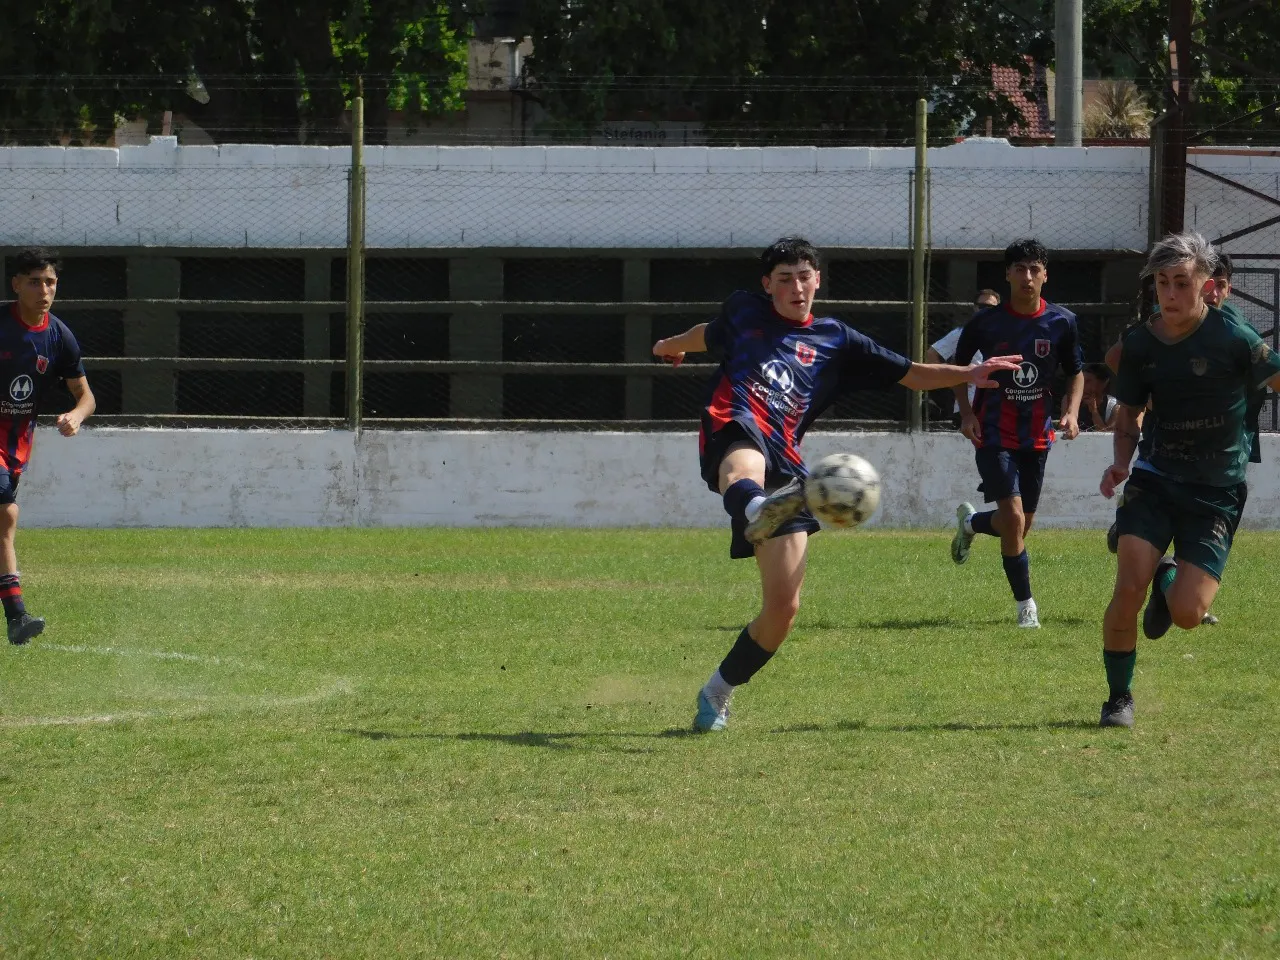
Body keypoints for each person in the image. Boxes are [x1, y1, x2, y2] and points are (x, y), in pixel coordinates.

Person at [651, 237, 1021, 732]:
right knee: (743, 468)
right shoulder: (744, 310)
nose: (795, 287)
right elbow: (709, 333)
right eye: (784, 279)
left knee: (783, 608)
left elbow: (911, 373)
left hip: (788, 465)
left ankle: (717, 691)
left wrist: (969, 372)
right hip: (733, 422)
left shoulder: (837, 340)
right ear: (767, 285)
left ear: (817, 281)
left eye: (804, 277)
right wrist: (670, 346)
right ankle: (756, 507)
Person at [1097, 232, 1280, 728]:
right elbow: (1129, 411)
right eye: (1162, 283)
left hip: (1216, 490)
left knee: (1187, 615)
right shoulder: (1140, 342)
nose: (1170, 294)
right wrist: (1121, 461)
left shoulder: (1234, 337)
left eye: (1181, 282)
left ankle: (1170, 577)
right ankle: (1118, 699)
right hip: (1155, 477)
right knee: (1126, 587)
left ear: (1205, 285)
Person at [948, 238, 1084, 628]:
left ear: (1045, 275)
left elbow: (1075, 372)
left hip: (1038, 435)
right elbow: (958, 369)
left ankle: (971, 524)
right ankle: (1027, 606)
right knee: (1012, 516)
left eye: (1035, 269)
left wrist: (1071, 412)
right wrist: (967, 414)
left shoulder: (1062, 321)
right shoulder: (985, 323)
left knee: (1021, 525)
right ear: (1007, 274)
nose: (1028, 277)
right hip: (992, 432)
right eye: (1020, 269)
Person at [3, 248, 95, 645]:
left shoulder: (59, 336)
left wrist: (76, 415)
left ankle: (15, 620)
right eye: (36, 281)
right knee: (6, 512)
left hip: (16, 444)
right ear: (17, 285)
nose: (45, 289)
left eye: (51, 282)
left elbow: (86, 395)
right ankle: (18, 614)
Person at [926, 289, 1000, 425]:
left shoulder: (1006, 334)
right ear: (975, 307)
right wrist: (955, 377)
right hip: (968, 408)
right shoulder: (961, 333)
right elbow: (932, 355)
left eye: (991, 307)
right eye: (982, 306)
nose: (986, 310)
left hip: (998, 407)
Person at [1079, 362, 1119, 432]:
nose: (1083, 385)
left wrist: (1094, 411)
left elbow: (1107, 436)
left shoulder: (1115, 406)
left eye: (1088, 381)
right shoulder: (1070, 401)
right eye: (1081, 381)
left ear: (1103, 383)